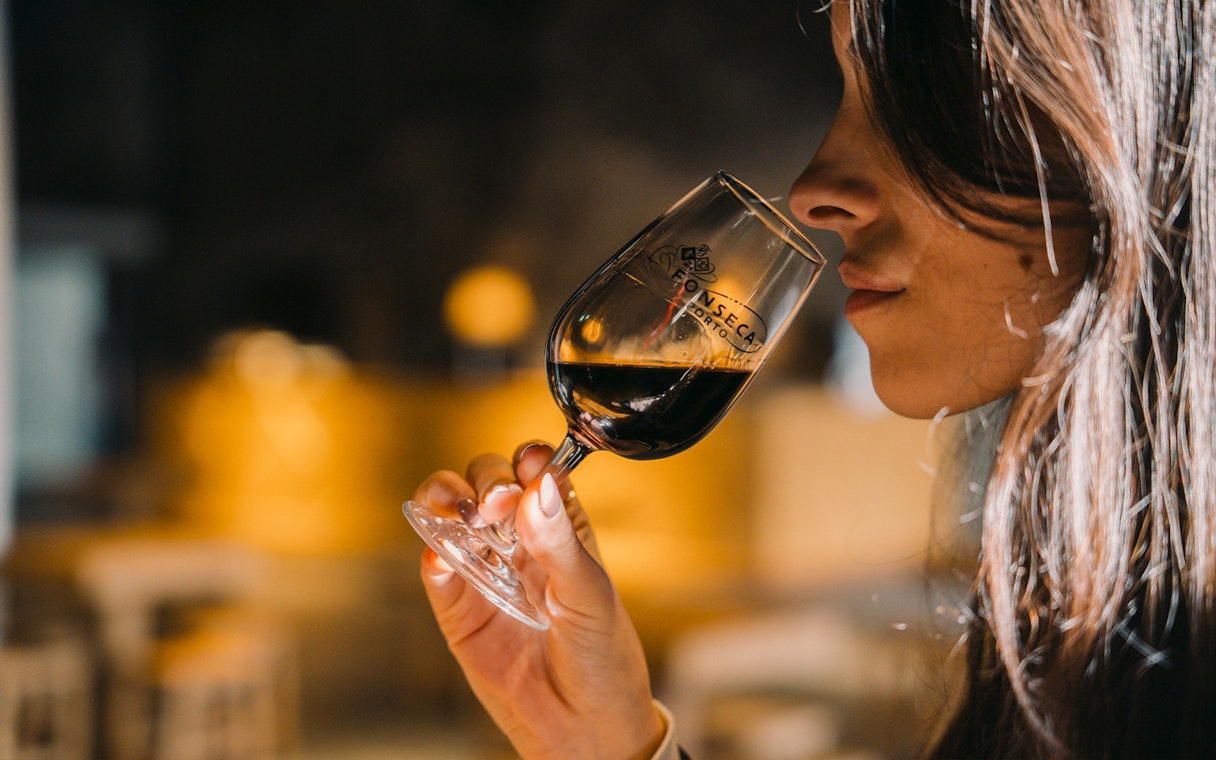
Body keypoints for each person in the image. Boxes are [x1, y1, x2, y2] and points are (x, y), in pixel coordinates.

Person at [412, 0, 1214, 756]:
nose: (814, 190)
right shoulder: (1109, 626)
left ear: (1131, 117)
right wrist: (605, 742)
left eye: (921, 102)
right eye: (853, 96)